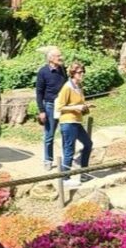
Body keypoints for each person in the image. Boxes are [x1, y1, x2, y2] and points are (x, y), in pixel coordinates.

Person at [55, 61, 93, 189]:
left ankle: (83, 172)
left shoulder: (79, 86)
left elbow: (79, 104)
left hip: (77, 121)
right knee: (69, 150)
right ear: (73, 73)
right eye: (79, 72)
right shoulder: (67, 87)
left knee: (88, 144)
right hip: (68, 122)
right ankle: (65, 178)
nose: (82, 74)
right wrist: (77, 107)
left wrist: (86, 107)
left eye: (83, 72)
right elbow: (60, 106)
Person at [34, 45, 67, 169]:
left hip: (63, 106)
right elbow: (39, 92)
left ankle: (66, 159)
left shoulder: (63, 69)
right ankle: (48, 160)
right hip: (50, 106)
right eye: (58, 56)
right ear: (51, 58)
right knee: (49, 135)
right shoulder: (43, 72)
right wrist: (41, 111)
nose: (61, 58)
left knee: (65, 132)